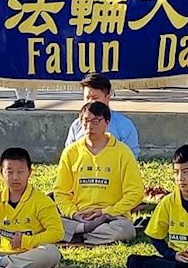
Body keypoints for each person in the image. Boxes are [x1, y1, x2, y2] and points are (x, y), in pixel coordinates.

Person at [54, 101, 144, 245]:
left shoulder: (122, 152)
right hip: (78, 216)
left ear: (107, 122)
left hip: (112, 217)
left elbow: (136, 192)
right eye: (86, 121)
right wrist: (74, 213)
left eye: (96, 121)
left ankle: (76, 233)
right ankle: (84, 230)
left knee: (125, 230)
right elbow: (61, 192)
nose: (90, 126)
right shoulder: (71, 152)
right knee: (44, 221)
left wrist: (106, 212)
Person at [63, 73, 140, 156]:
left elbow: (131, 157)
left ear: (107, 98)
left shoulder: (124, 125)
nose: (90, 102)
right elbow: (69, 155)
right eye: (87, 98)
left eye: (95, 98)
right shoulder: (77, 126)